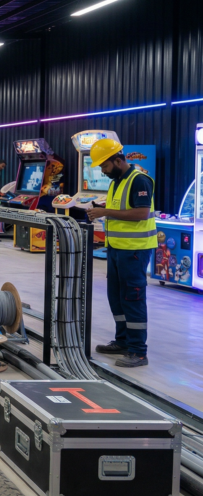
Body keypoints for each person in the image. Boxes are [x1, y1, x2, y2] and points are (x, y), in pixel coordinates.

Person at [87, 138, 156, 368]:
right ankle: (123, 341)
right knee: (116, 297)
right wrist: (102, 209)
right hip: (117, 250)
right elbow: (120, 209)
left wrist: (105, 212)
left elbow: (141, 213)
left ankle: (138, 351)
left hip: (135, 251)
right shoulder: (117, 182)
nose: (103, 171)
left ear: (117, 160)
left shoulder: (139, 180)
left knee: (132, 298)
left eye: (105, 166)